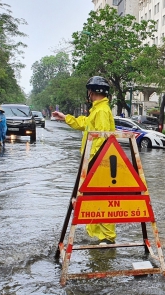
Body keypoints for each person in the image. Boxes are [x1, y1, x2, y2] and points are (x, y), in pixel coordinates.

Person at [52, 76, 117, 245]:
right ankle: (99, 235)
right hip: (96, 163)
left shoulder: (102, 111)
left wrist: (91, 162)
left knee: (102, 199)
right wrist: (65, 117)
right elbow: (84, 123)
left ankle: (108, 237)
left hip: (98, 164)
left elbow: (102, 138)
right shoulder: (97, 110)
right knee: (94, 198)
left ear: (92, 92)